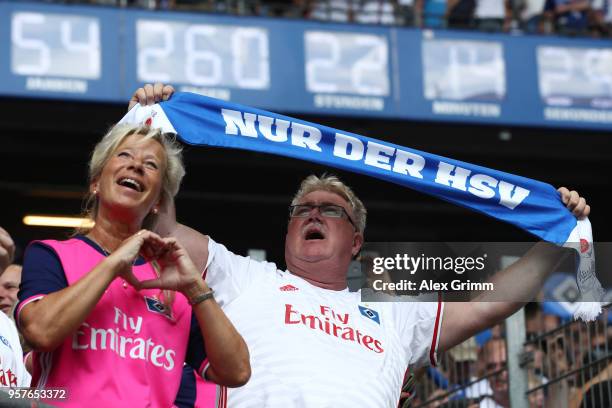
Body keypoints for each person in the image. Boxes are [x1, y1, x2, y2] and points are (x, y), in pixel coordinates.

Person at [129, 84, 591, 407]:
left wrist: (555, 238)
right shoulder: (244, 276)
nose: (312, 214)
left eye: (330, 210)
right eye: (302, 209)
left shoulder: (395, 310)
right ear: (287, 231)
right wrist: (146, 135)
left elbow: (490, 305)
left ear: (356, 242)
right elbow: (160, 226)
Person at [15, 123, 250, 406]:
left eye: (151, 165)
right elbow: (41, 331)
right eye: (124, 155)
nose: (136, 165)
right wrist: (115, 262)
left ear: (156, 202)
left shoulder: (172, 284)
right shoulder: (52, 254)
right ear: (96, 182)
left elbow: (236, 371)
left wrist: (196, 288)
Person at [0, 227, 30, 389]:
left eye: (10, 287)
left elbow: (21, 395)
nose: (0, 293)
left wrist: (63, 395)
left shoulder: (7, 327)